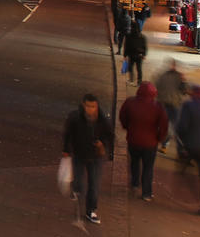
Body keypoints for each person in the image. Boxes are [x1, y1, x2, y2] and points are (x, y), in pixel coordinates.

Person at [63, 93, 113, 224]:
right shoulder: (75, 117)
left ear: (97, 106)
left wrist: (103, 145)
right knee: (79, 182)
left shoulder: (103, 121)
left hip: (96, 157)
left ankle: (91, 210)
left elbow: (110, 137)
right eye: (88, 106)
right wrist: (66, 149)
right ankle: (76, 189)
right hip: (79, 154)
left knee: (94, 185)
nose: (90, 109)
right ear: (83, 105)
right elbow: (68, 133)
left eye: (93, 106)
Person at [118, 81, 168, 201]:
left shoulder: (130, 102)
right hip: (150, 143)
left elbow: (122, 116)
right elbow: (164, 124)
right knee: (148, 167)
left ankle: (135, 184)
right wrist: (160, 138)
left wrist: (127, 127)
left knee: (134, 162)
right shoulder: (158, 107)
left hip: (133, 140)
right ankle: (146, 193)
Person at [175, 86, 200, 217]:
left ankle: (185, 191)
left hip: (192, 145)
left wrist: (183, 142)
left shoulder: (188, 105)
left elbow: (182, 127)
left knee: (185, 167)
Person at [156, 60, 187, 153]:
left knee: (173, 127)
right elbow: (157, 88)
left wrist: (183, 81)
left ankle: (170, 146)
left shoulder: (178, 76)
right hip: (166, 104)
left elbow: (184, 90)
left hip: (174, 104)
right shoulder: (163, 76)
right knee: (169, 127)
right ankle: (166, 145)